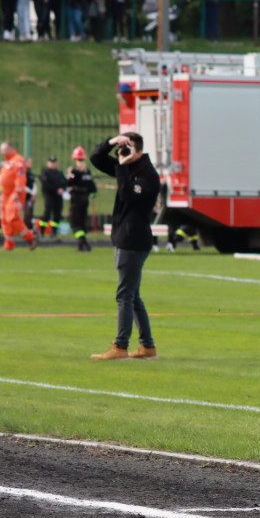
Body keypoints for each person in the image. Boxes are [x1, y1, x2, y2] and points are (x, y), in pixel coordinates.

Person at [89, 132, 160, 360]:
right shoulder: (129, 166)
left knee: (124, 295)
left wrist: (121, 167)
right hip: (128, 237)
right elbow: (96, 158)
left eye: (128, 148)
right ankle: (147, 347)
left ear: (138, 151)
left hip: (133, 240)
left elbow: (129, 196)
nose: (123, 152)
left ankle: (120, 346)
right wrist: (111, 142)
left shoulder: (147, 175)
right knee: (132, 295)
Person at [0, 142, 38, 251]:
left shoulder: (18, 160)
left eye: (4, 150)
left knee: (11, 217)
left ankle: (31, 237)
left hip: (15, 193)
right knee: (4, 219)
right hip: (5, 194)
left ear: (11, 148)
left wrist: (17, 192)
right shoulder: (7, 161)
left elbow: (20, 177)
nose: (2, 152)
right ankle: (9, 243)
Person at [67, 146, 97, 251]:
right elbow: (93, 187)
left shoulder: (75, 171)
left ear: (75, 158)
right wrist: (91, 195)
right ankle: (81, 245)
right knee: (81, 221)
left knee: (74, 221)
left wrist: (69, 174)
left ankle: (83, 242)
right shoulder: (87, 171)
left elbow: (69, 183)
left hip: (76, 198)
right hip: (85, 198)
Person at [39, 155, 65, 236]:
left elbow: (65, 182)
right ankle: (42, 231)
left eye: (54, 163)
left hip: (58, 196)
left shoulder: (59, 173)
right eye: (51, 162)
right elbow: (45, 184)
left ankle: (54, 232)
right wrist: (56, 190)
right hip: (49, 195)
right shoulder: (45, 172)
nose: (53, 164)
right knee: (47, 213)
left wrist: (62, 188)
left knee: (57, 214)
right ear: (48, 163)